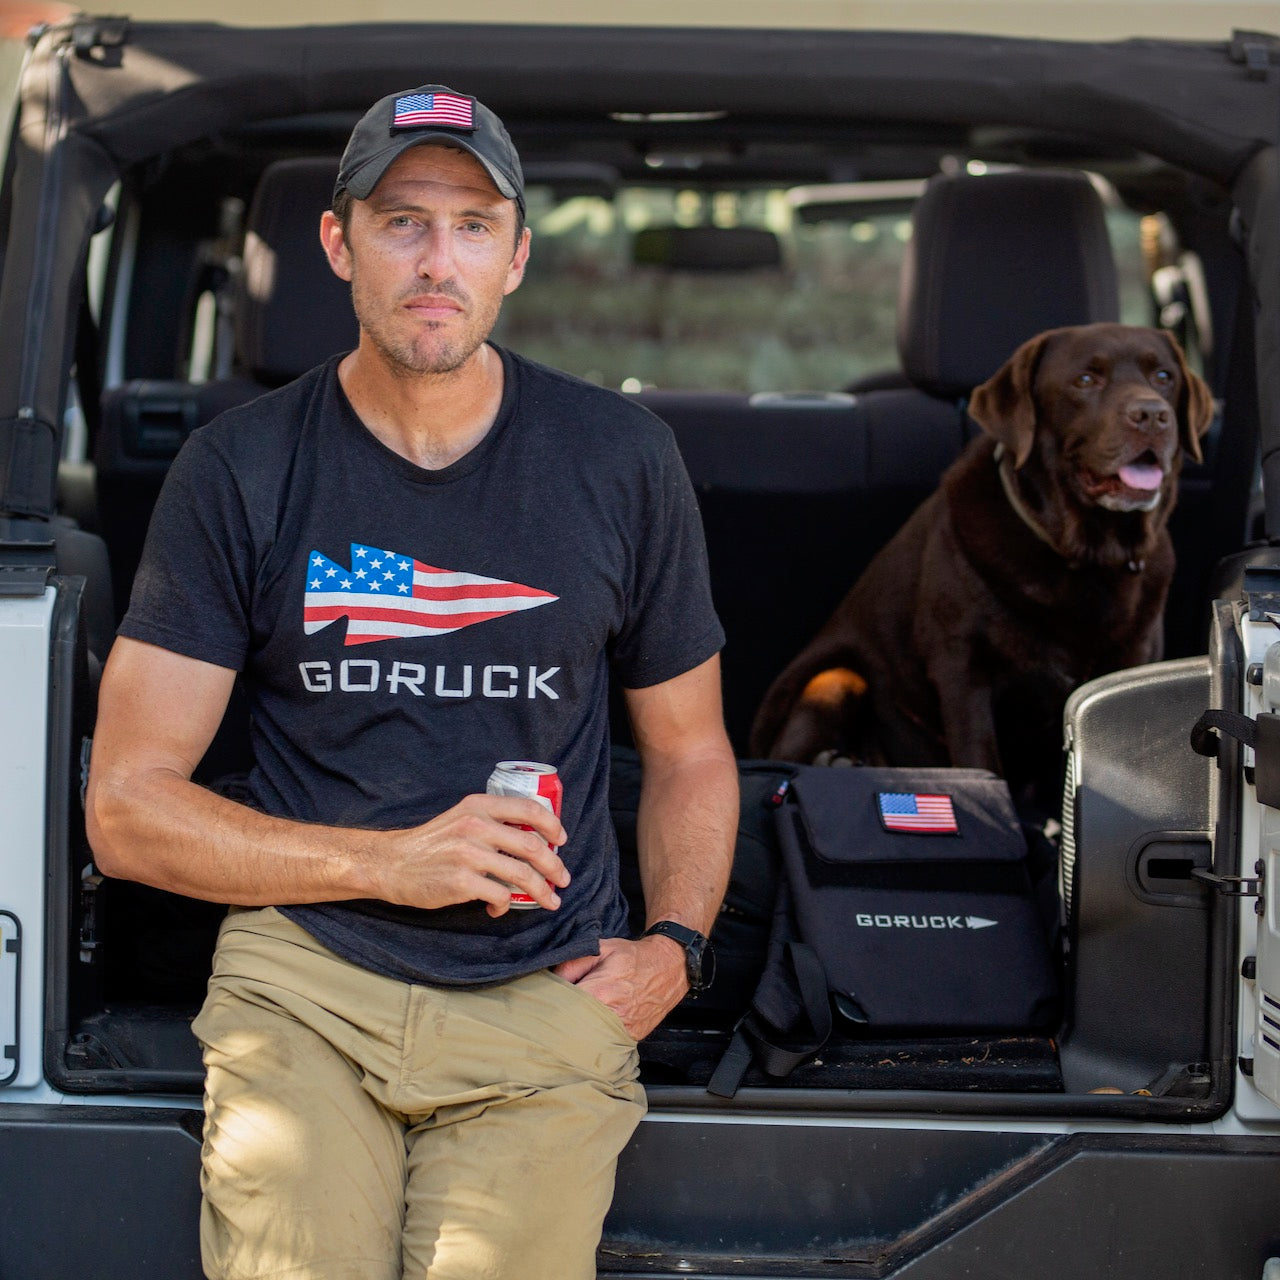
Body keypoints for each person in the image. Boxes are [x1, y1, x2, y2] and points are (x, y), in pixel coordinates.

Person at [86, 84, 738, 1280]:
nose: (438, 261)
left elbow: (690, 748)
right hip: (304, 980)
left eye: (473, 225)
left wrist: (674, 947)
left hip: (548, 983)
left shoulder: (618, 459)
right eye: (401, 222)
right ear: (338, 243)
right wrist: (390, 862)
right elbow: (125, 809)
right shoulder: (239, 468)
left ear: (516, 257)